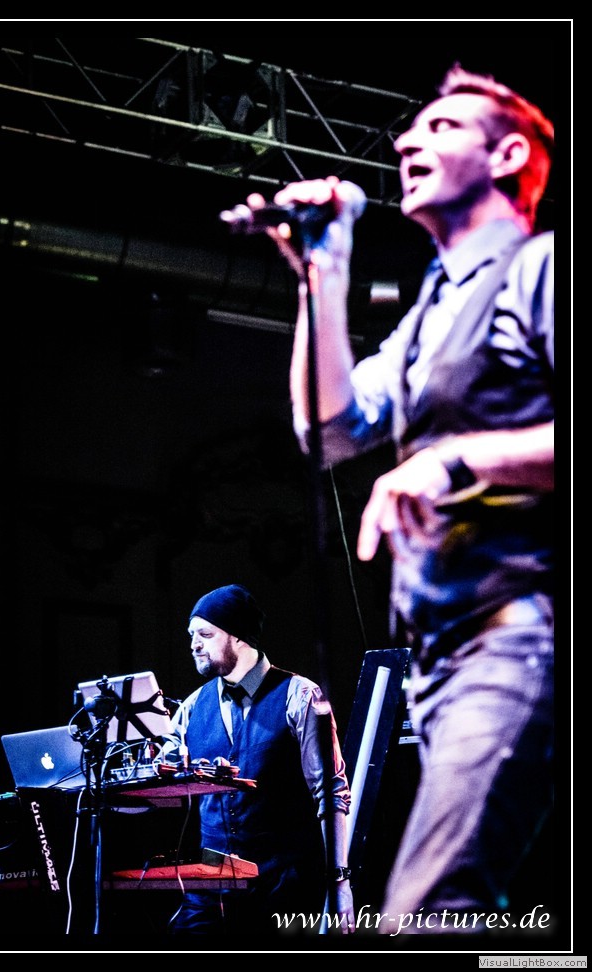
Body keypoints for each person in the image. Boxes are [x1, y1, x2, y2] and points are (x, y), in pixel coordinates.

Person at [242, 64, 556, 935]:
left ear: (507, 157)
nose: (408, 139)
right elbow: (328, 428)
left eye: (442, 127)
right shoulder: (426, 316)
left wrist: (454, 461)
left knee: (427, 914)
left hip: (521, 632)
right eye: (410, 127)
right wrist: (325, 267)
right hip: (440, 660)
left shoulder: (541, 270)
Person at [160, 583, 355, 938]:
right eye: (191, 635)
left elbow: (331, 792)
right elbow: (155, 781)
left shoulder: (299, 695)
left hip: (283, 886)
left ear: (238, 636)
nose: (194, 645)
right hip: (210, 891)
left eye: (205, 634)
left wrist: (339, 880)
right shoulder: (191, 707)